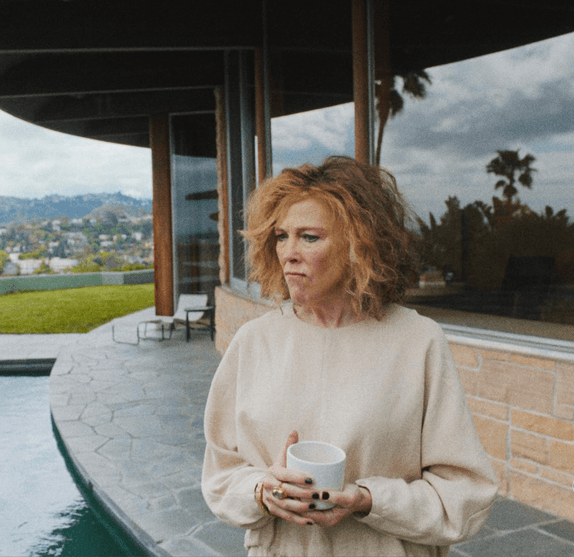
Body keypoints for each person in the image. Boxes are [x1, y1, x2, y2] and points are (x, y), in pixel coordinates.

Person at [201, 156, 497, 556]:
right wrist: (262, 490)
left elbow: (465, 496)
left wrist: (368, 500)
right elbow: (220, 477)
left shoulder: (417, 342)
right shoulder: (254, 342)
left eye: (309, 237)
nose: (288, 252)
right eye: (281, 236)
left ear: (360, 245)